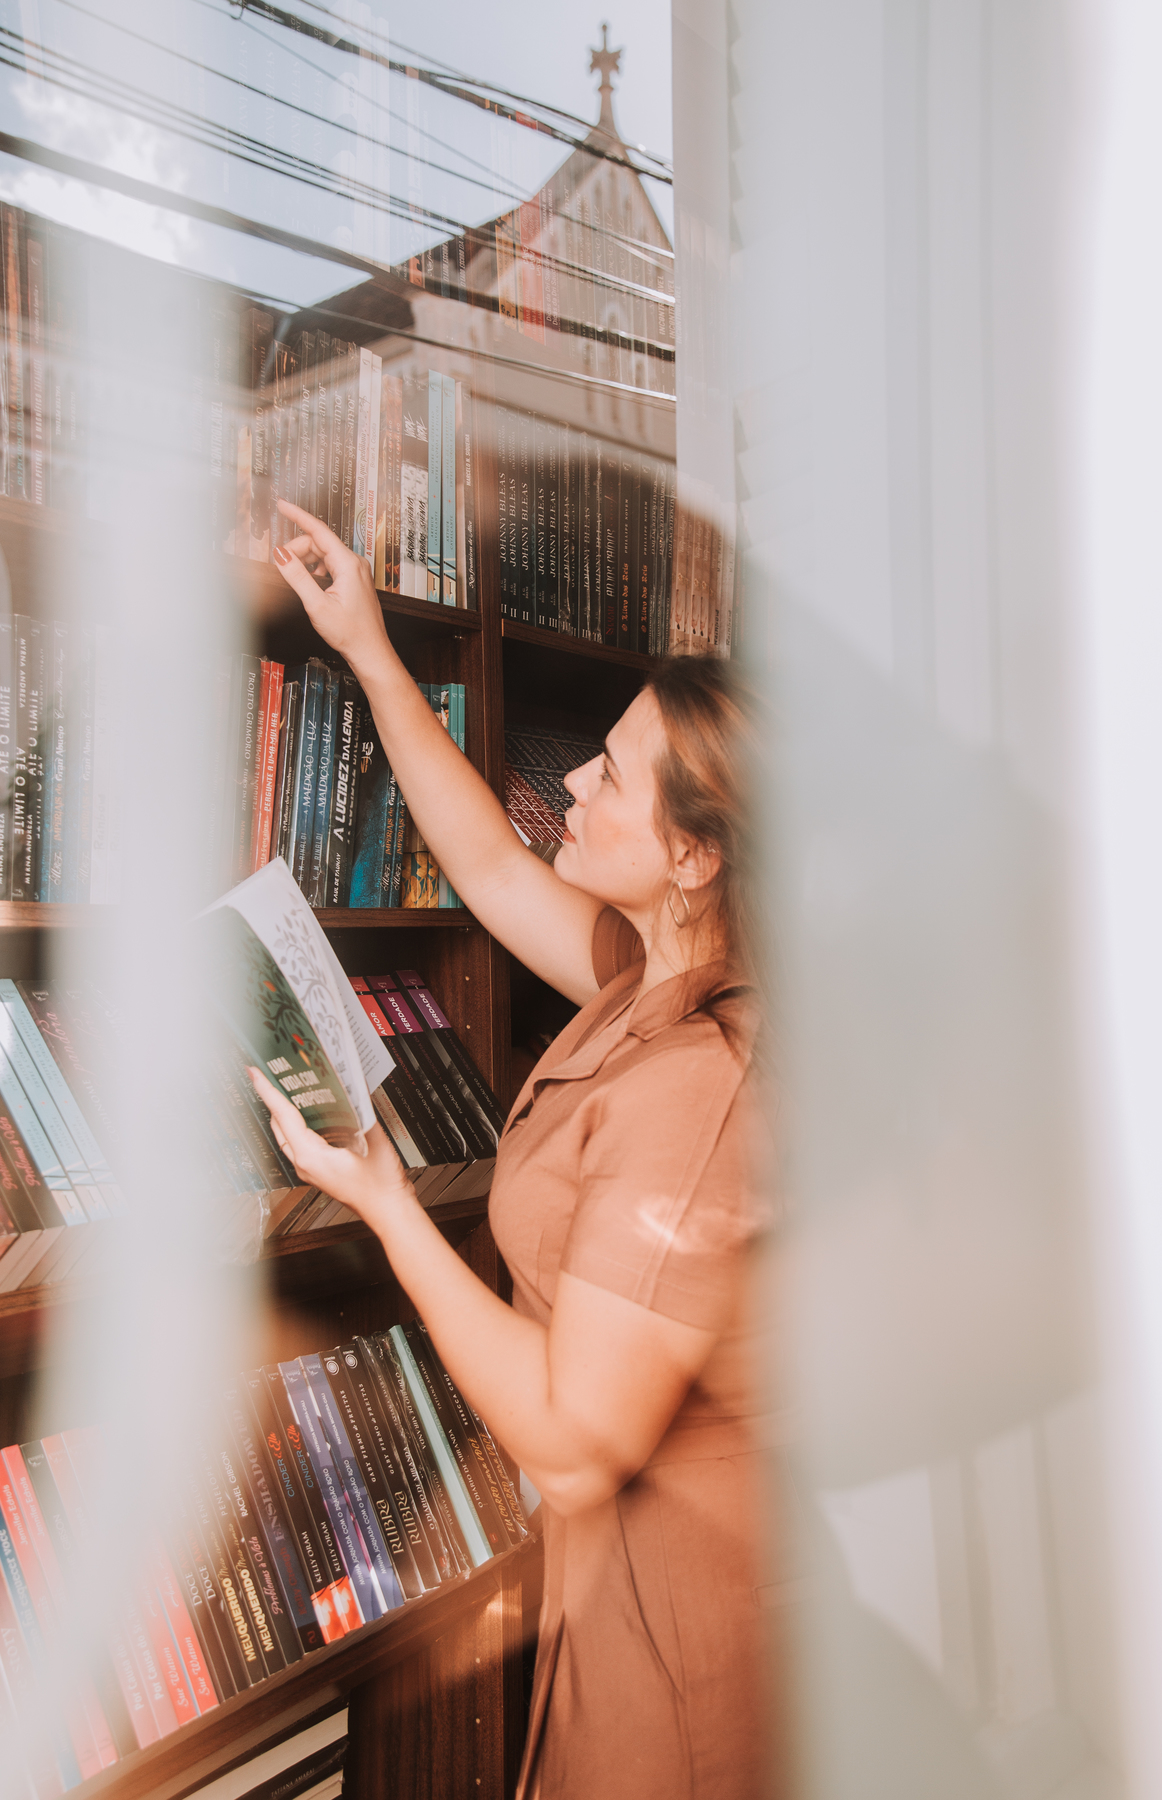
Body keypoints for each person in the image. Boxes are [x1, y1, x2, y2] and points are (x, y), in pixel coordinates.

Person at [251, 501, 776, 1799]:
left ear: (694, 856)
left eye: (610, 774)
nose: (577, 785)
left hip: (682, 1636)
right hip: (613, 1595)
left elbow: (569, 1440)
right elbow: (484, 859)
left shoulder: (699, 1086)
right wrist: (367, 645)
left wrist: (386, 1200)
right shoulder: (636, 971)